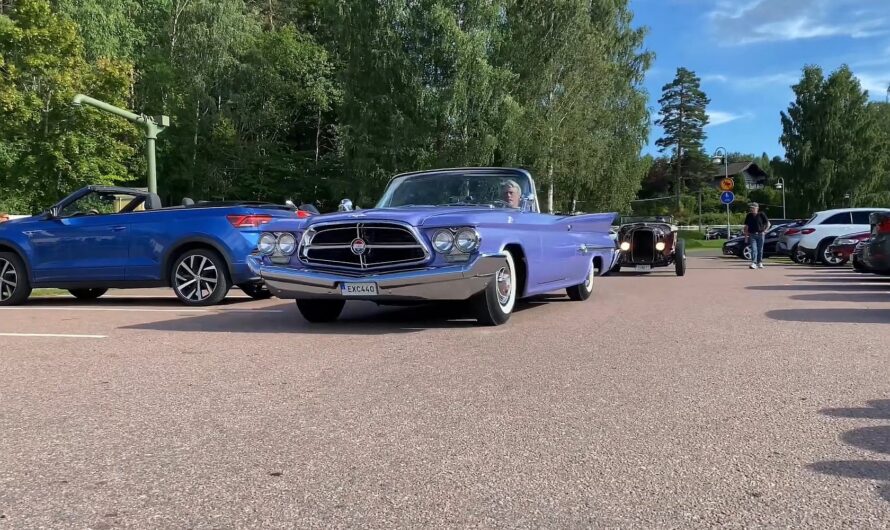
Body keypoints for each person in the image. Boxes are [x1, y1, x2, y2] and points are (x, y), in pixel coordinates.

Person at [743, 202, 770, 269]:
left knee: (760, 249)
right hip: (752, 234)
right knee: (754, 249)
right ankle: (753, 263)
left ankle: (759, 262)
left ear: (757, 208)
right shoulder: (749, 215)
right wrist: (746, 237)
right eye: (751, 208)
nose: (752, 209)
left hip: (760, 234)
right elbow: (746, 226)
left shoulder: (761, 214)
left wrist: (765, 231)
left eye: (753, 208)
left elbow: (768, 223)